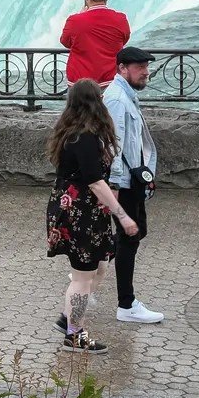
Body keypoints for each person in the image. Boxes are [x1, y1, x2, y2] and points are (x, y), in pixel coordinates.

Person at [45, 79, 138, 354]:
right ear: (96, 104)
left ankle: (67, 319)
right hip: (79, 212)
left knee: (98, 269)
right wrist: (123, 216)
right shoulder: (84, 138)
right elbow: (96, 183)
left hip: (80, 208)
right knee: (82, 278)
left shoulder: (72, 131)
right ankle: (74, 336)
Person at [104, 47, 165, 326]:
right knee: (130, 237)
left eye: (146, 66)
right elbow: (113, 145)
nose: (146, 71)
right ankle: (126, 304)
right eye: (139, 67)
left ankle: (87, 275)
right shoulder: (117, 99)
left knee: (130, 235)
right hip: (124, 182)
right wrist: (114, 184)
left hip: (131, 180)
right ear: (122, 68)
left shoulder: (126, 95)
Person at [61, 0, 132, 85]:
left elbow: (65, 41)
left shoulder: (74, 20)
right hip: (110, 81)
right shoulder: (120, 19)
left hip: (80, 83)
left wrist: (81, 14)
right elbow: (124, 39)